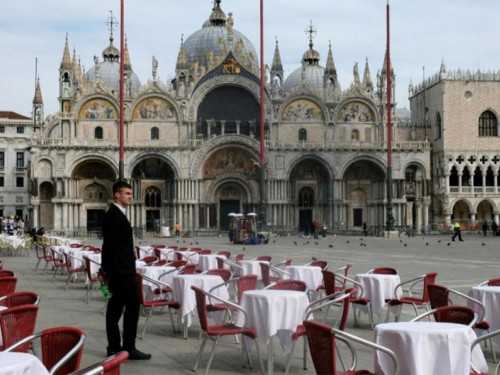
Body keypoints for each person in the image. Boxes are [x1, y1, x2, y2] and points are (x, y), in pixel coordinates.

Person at [101, 181, 151, 360]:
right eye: (127, 193)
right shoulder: (114, 216)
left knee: (115, 309)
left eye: (130, 193)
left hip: (119, 271)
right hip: (122, 272)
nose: (130, 196)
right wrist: (109, 271)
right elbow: (110, 247)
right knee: (131, 308)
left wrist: (105, 270)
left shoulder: (115, 214)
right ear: (117, 194)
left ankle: (114, 347)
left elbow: (108, 247)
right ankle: (128, 347)